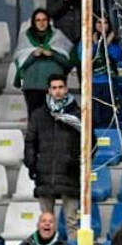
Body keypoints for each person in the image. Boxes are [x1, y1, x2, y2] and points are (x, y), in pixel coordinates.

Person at [25, 76, 83, 235]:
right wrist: (31, 164)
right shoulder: (39, 115)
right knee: (46, 221)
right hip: (45, 172)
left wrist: (79, 162)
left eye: (60, 87)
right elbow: (30, 141)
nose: (57, 91)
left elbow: (90, 141)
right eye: (54, 88)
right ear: (49, 90)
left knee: (72, 221)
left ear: (66, 89)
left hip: (69, 172)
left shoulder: (79, 114)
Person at [14, 8, 73, 114]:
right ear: (33, 22)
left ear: (49, 21)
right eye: (38, 20)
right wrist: (33, 55)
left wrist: (53, 54)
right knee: (34, 118)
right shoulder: (25, 38)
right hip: (32, 87)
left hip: (54, 88)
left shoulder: (58, 37)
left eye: (44, 19)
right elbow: (21, 64)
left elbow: (67, 64)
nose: (41, 23)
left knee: (55, 118)